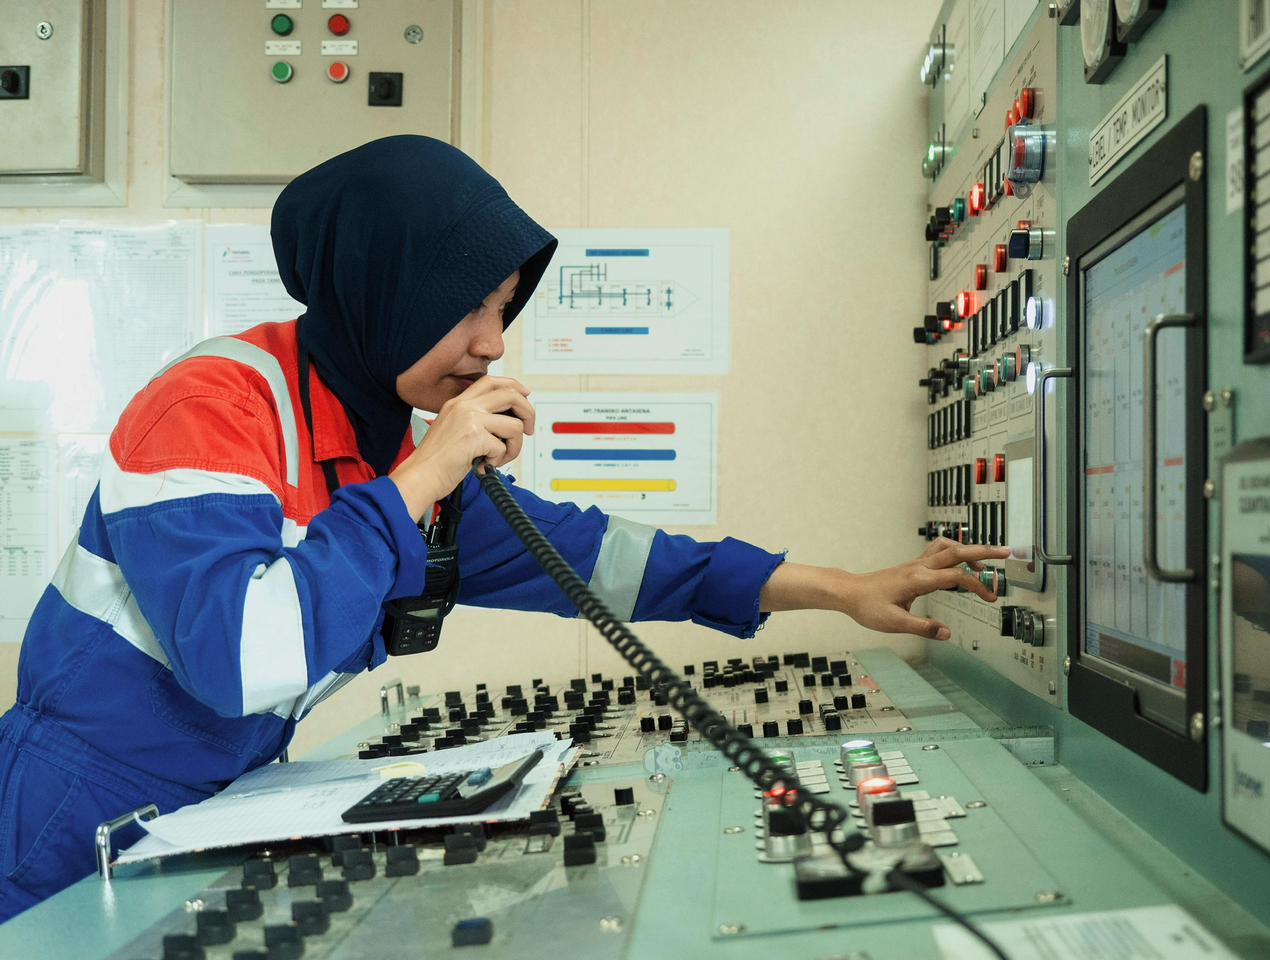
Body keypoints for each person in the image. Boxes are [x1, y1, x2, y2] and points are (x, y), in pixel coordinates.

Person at [0, 135, 1007, 920]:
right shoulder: (211, 407)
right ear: (379, 287)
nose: (490, 344)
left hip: (215, 808)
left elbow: (606, 561)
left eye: (503, 307)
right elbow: (241, 657)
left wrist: (842, 589)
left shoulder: (393, 444)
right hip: (71, 813)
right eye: (464, 307)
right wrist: (421, 476)